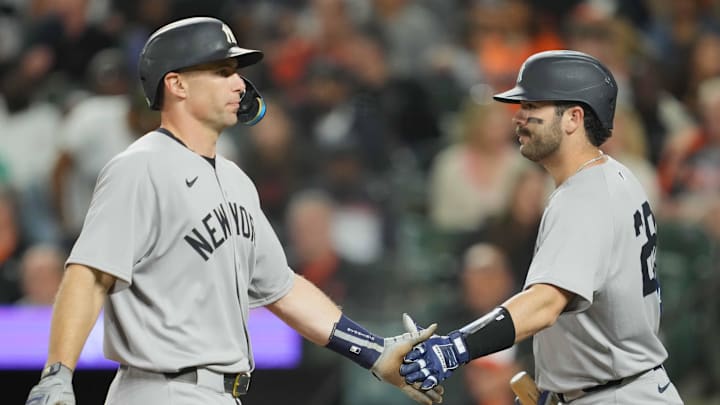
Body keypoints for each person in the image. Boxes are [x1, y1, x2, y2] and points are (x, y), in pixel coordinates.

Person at [24, 17, 443, 405]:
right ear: (177, 84)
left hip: (222, 393)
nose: (240, 85)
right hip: (161, 389)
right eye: (223, 72)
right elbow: (89, 273)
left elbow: (283, 289)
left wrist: (371, 350)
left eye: (237, 73)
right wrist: (58, 373)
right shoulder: (140, 166)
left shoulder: (236, 180)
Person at [399, 50, 684, 404]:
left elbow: (546, 302)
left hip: (615, 394)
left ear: (573, 118)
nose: (518, 118)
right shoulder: (614, 176)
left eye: (533, 108)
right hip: (620, 386)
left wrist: (457, 347)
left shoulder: (584, 196)